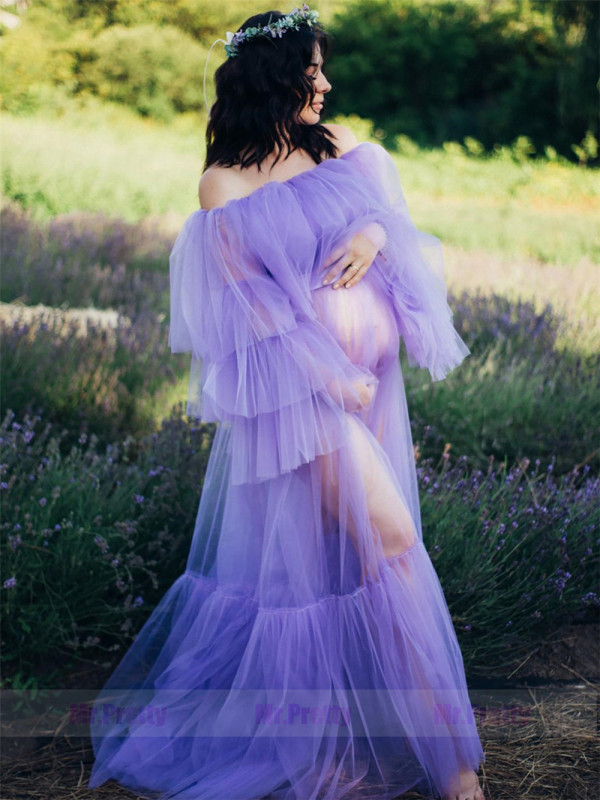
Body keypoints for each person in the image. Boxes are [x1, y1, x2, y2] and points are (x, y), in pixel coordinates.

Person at [88, 5, 486, 800]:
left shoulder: (337, 150)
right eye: (311, 72)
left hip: (366, 393)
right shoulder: (223, 185)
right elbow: (252, 316)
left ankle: (345, 740)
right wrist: (329, 379)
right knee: (390, 537)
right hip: (302, 402)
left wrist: (372, 232)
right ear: (273, 78)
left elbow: (388, 219)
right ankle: (456, 772)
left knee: (344, 566)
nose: (326, 84)